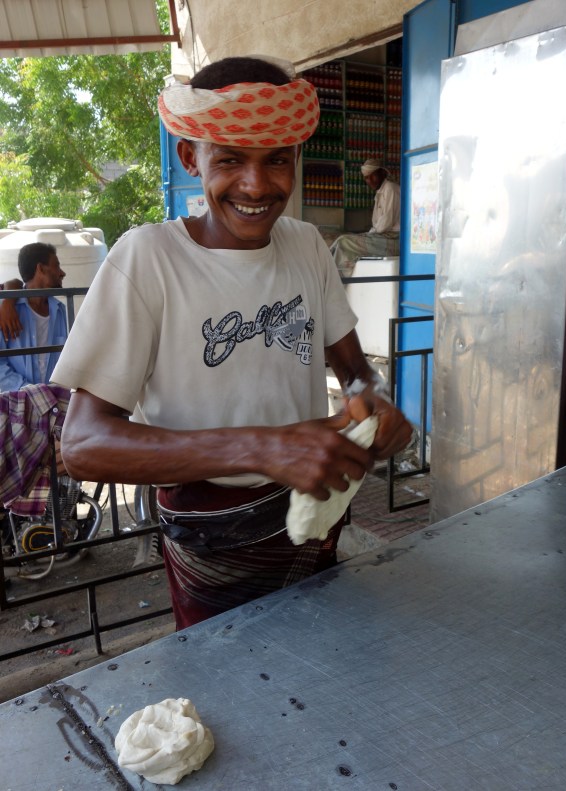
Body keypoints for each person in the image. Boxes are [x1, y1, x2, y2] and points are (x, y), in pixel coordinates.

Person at [52, 55, 412, 630]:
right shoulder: (147, 260)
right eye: (230, 160)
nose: (256, 185)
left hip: (313, 513)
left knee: (321, 663)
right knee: (228, 685)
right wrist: (260, 448)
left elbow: (356, 374)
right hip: (210, 534)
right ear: (190, 156)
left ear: (296, 158)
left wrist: (376, 406)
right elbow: (85, 444)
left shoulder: (306, 247)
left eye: (277, 161)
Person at [0, 242, 67, 391]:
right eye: (56, 265)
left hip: (54, 401)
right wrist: (30, 393)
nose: (62, 273)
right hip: (16, 402)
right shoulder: (7, 310)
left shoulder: (60, 310)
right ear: (41, 269)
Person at [329, 159, 401, 276]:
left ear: (382, 173)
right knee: (341, 242)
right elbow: (376, 224)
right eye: (367, 177)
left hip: (393, 240)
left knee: (344, 241)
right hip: (382, 236)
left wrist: (368, 235)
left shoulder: (390, 189)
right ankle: (328, 272)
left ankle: (334, 278)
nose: (370, 181)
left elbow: (385, 224)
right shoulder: (379, 193)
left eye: (373, 176)